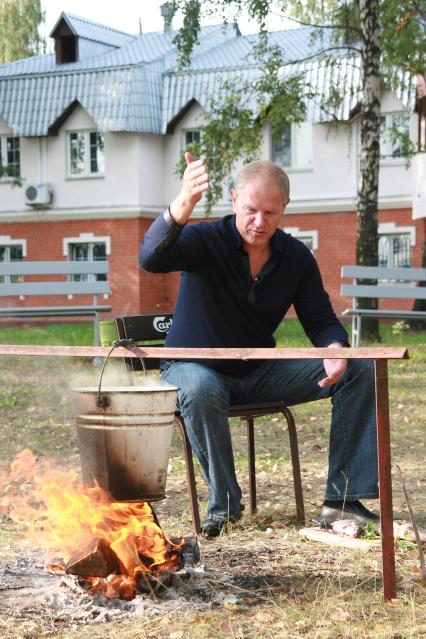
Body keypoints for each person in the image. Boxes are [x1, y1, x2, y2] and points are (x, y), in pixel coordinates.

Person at [139, 153, 379, 537]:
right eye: (251, 209)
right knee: (201, 387)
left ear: (284, 207)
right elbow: (151, 257)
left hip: (257, 372)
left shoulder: (296, 257)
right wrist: (185, 199)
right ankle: (226, 506)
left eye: (270, 212)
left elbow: (321, 321)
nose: (259, 221)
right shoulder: (205, 240)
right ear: (233, 199)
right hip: (191, 370)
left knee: (358, 367)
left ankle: (343, 500)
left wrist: (334, 349)